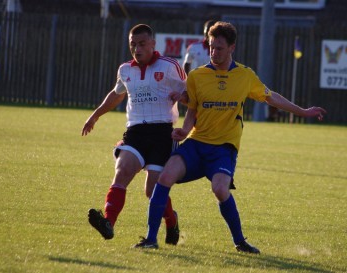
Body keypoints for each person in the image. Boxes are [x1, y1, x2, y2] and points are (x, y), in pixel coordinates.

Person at [134, 21, 326, 252]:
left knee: (220, 189)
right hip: (196, 144)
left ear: (232, 48)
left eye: (220, 48)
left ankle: (240, 242)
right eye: (212, 47)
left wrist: (303, 111)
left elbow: (271, 97)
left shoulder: (245, 76)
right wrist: (185, 130)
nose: (214, 52)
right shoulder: (198, 76)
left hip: (223, 149)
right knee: (163, 178)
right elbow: (193, 109)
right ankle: (151, 239)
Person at [82, 24, 187, 245]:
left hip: (162, 134)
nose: (136, 49)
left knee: (152, 191)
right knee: (121, 172)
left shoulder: (169, 66)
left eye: (141, 44)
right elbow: (117, 93)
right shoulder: (125, 69)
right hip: (135, 132)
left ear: (152, 43)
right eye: (133, 44)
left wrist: (183, 97)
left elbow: (191, 92)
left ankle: (172, 220)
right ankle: (108, 222)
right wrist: (95, 115)